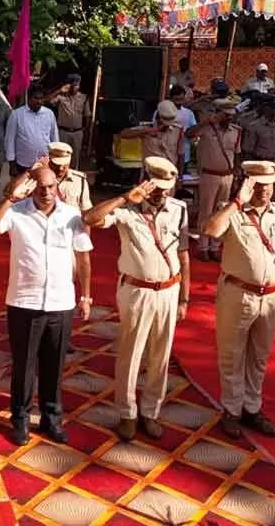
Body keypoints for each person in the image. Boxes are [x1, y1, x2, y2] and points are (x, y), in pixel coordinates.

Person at [84, 157, 190, 441]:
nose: (161, 193)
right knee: (131, 354)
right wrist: (123, 197)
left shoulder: (179, 210)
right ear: (146, 181)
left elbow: (183, 254)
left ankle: (151, 411)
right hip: (137, 291)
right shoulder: (128, 211)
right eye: (156, 187)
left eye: (166, 188)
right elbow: (90, 219)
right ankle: (127, 413)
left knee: (161, 356)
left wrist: (184, 298)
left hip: (169, 290)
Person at [0, 165, 92, 446]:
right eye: (41, 187)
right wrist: (10, 198)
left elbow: (83, 257)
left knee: (54, 366)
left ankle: (51, 419)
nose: (46, 193)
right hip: (24, 301)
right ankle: (19, 420)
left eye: (51, 186)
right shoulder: (17, 212)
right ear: (33, 186)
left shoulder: (71, 215)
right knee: (23, 366)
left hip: (61, 301)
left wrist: (86, 296)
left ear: (58, 185)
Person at [203, 162, 275, 439]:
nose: (265, 191)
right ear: (248, 185)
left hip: (271, 295)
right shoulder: (233, 212)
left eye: (270, 185)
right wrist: (238, 201)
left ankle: (252, 407)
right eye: (259, 186)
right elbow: (211, 231)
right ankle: (232, 410)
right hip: (238, 293)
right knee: (232, 355)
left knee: (259, 356)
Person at [188, 98, 241, 261]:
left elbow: (237, 153)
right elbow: (188, 134)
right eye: (226, 115)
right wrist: (205, 122)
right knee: (206, 211)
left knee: (222, 211)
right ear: (219, 114)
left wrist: (236, 174)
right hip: (209, 174)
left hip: (227, 175)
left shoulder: (236, 131)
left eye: (231, 116)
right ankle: (203, 246)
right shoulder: (206, 129)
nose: (229, 119)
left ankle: (215, 247)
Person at [5, 85, 59, 177]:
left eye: (41, 98)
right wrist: (12, 165)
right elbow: (9, 140)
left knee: (42, 190)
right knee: (23, 190)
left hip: (44, 163)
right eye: (36, 98)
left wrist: (55, 159)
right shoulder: (16, 114)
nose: (39, 101)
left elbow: (54, 137)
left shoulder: (49, 114)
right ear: (28, 98)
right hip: (22, 164)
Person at [124, 99, 184, 172]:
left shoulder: (178, 130)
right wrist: (151, 130)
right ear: (158, 117)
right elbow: (124, 134)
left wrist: (180, 176)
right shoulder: (147, 128)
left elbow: (180, 153)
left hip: (169, 173)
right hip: (150, 173)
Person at [49, 74, 90, 156]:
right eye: (74, 85)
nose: (76, 87)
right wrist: (59, 91)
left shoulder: (84, 97)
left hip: (77, 133)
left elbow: (87, 115)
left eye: (77, 85)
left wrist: (85, 130)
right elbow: (48, 100)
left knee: (75, 158)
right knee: (61, 157)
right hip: (63, 132)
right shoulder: (60, 96)